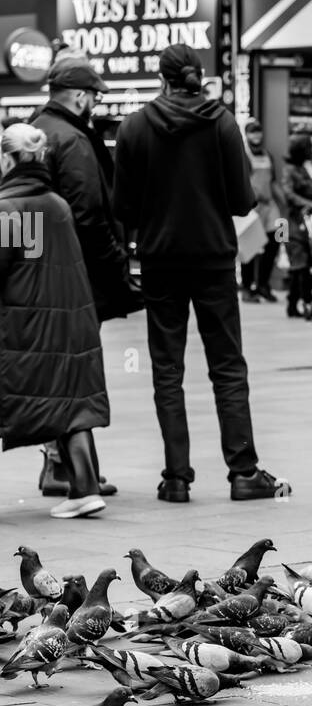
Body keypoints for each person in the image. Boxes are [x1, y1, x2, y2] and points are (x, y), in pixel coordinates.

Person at [113, 43, 288, 502]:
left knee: (166, 368)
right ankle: (244, 473)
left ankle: (176, 477)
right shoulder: (222, 122)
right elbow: (242, 200)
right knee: (227, 366)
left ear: (162, 78)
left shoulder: (134, 127)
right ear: (199, 75)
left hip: (159, 261)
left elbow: (123, 206)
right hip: (212, 258)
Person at [30, 55, 141, 498]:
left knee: (54, 369)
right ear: (79, 96)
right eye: (94, 96)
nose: (95, 103)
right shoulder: (73, 140)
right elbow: (90, 216)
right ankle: (72, 473)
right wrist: (117, 273)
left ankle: (57, 466)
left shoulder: (33, 129)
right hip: (73, 277)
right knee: (73, 372)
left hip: (37, 273)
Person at [0, 125, 110, 518]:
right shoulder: (57, 205)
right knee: (71, 405)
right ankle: (85, 487)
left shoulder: (12, 208)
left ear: (8, 159)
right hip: (70, 321)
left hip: (24, 326)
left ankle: (84, 488)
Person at [239, 118, 283, 303]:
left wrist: (283, 201)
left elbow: (273, 182)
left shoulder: (268, 155)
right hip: (252, 207)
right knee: (249, 247)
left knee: (278, 239)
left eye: (258, 131)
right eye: (252, 131)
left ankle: (263, 284)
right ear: (246, 134)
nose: (256, 135)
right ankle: (247, 288)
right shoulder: (243, 155)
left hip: (270, 205)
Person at [280, 134, 312, 319]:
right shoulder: (290, 170)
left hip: (309, 224)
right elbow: (288, 194)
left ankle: (294, 304)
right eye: (309, 147)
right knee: (299, 265)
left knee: (301, 265)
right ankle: (303, 302)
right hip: (291, 224)